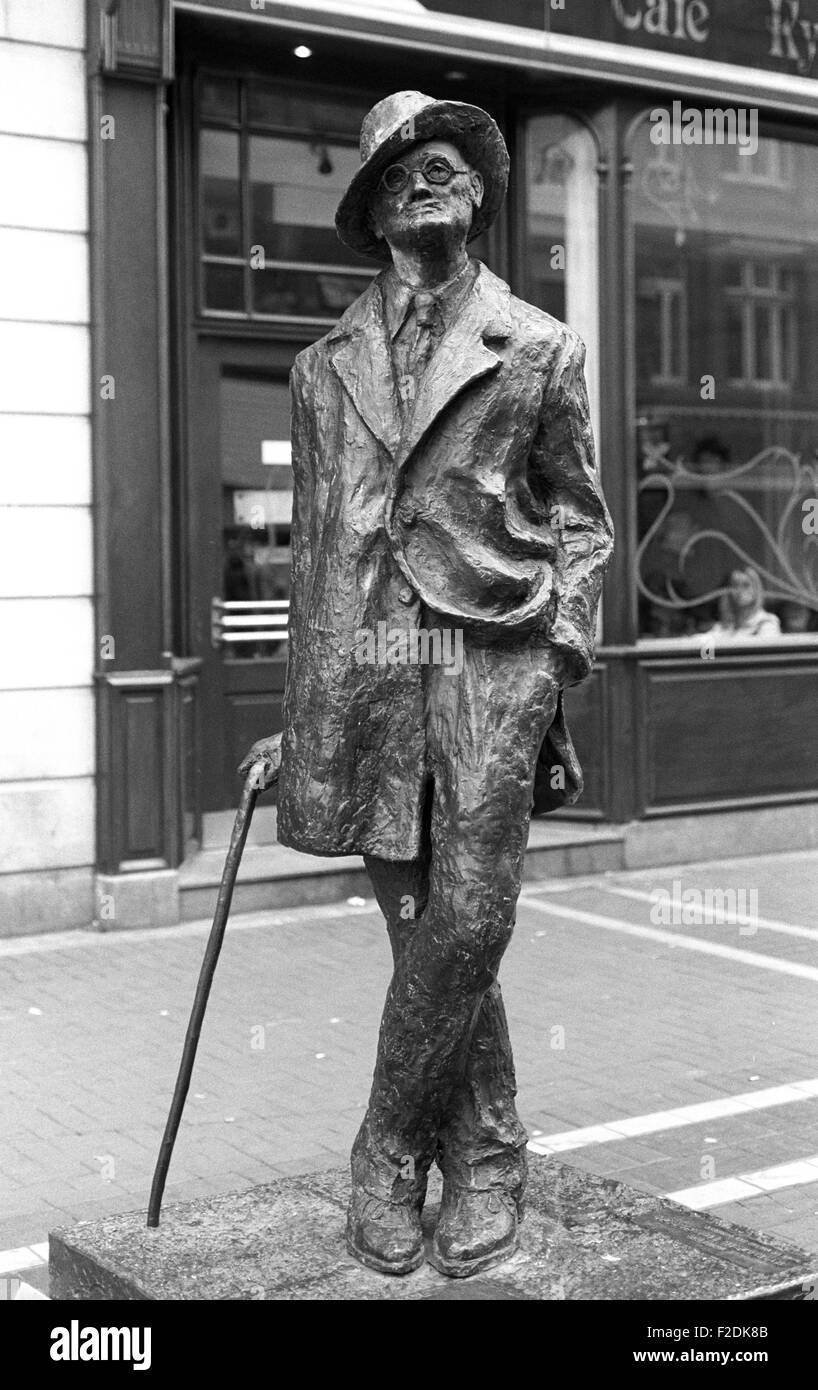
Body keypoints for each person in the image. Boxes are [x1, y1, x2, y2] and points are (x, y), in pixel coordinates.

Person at [240, 91, 613, 1279]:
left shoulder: (541, 345)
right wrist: (302, 722)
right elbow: (318, 554)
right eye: (401, 173)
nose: (425, 182)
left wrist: (559, 645)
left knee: (471, 909)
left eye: (445, 163)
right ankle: (489, 1147)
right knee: (418, 931)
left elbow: (582, 522)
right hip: (368, 672)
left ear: (478, 190)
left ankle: (386, 1146)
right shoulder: (318, 368)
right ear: (372, 210)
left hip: (491, 653)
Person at [707, 568, 781, 639]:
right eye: (735, 585)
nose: (739, 591)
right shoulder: (721, 627)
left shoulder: (767, 623)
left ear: (756, 590)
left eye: (746, 585)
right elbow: (702, 643)